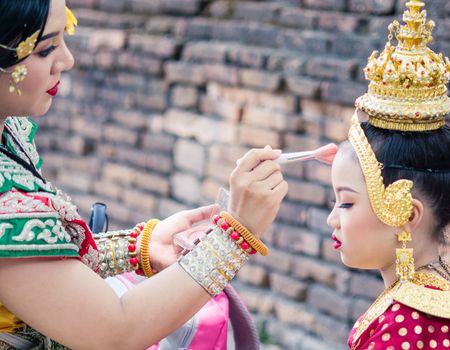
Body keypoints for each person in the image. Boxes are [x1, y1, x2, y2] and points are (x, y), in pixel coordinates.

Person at [0, 1, 288, 349]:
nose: (67, 60)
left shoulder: (10, 130)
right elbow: (115, 331)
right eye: (46, 49)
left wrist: (139, 249)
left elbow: (37, 270)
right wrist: (235, 236)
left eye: (65, 37)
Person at [326, 1, 450, 349]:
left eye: (346, 203)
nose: (332, 218)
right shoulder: (449, 292)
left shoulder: (407, 324)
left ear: (406, 214)